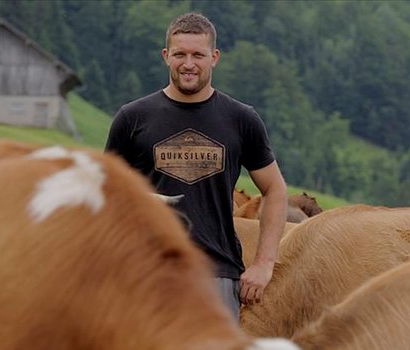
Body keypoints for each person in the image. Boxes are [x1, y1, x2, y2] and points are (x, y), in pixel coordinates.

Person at [104, 12, 287, 321]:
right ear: (166, 56)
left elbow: (275, 190)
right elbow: (105, 194)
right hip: (145, 274)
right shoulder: (132, 118)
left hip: (216, 275)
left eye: (198, 55)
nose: (188, 63)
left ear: (214, 57)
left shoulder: (241, 119)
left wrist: (264, 265)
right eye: (180, 54)